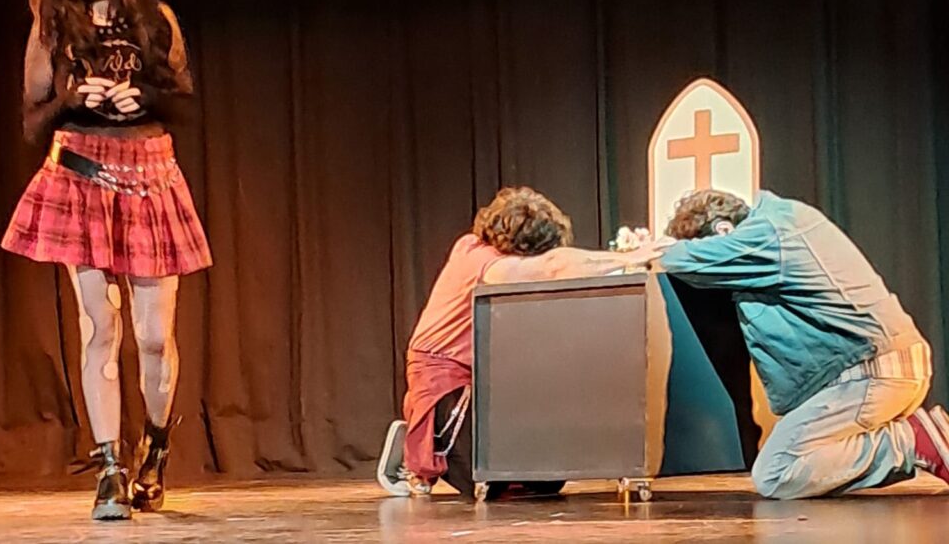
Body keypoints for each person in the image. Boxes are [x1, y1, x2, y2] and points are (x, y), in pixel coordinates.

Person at [1, 0, 212, 520]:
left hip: (148, 176)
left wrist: (140, 97)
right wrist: (73, 99)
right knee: (100, 327)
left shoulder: (154, 19)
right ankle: (109, 470)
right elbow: (32, 122)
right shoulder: (52, 28)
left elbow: (183, 100)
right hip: (80, 176)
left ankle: (155, 449)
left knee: (153, 337)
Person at [659, 188, 949, 499]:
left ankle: (910, 440)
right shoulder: (783, 222)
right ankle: (910, 437)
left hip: (871, 373)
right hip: (886, 368)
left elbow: (683, 260)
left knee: (776, 471)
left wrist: (652, 251)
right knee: (807, 458)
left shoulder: (769, 233)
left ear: (723, 230)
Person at [376, 186, 662, 499]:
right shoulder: (479, 256)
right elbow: (553, 267)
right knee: (488, 481)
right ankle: (416, 443)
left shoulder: (485, 254)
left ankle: (425, 437)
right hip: (443, 375)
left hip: (484, 379)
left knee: (545, 481)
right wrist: (628, 258)